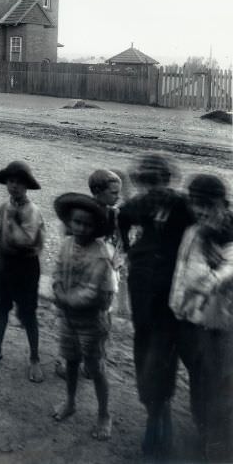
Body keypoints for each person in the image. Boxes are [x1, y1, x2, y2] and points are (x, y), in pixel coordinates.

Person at [117, 153, 193, 460]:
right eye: (146, 182)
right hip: (142, 290)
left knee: (165, 354)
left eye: (157, 180)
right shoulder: (138, 206)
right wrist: (130, 249)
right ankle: (154, 411)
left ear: (167, 180)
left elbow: (212, 225)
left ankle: (161, 415)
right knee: (144, 350)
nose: (152, 187)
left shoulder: (181, 205)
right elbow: (121, 217)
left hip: (172, 294)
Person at [170, 174, 233, 463]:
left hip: (216, 326)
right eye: (196, 203)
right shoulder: (193, 231)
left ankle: (217, 444)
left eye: (208, 204)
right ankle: (203, 430)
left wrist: (211, 276)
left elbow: (220, 277)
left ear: (223, 203)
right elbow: (182, 275)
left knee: (219, 387)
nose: (201, 210)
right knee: (197, 379)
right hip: (187, 320)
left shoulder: (228, 235)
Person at [51, 193, 116, 441]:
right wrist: (56, 288)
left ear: (96, 227)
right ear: (70, 222)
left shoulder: (101, 255)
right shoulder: (67, 245)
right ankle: (70, 401)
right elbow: (57, 269)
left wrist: (65, 299)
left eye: (87, 224)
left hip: (91, 322)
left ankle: (104, 414)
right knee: (70, 360)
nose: (80, 228)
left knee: (95, 367)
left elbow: (92, 292)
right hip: (68, 318)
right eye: (76, 222)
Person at [0, 160, 45, 382]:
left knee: (28, 313)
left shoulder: (31, 211)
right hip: (5, 264)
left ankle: (35, 358)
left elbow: (26, 241)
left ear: (26, 186)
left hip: (26, 266)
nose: (14, 186)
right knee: (1, 307)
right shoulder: (4, 208)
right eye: (10, 181)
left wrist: (16, 222)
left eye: (18, 182)